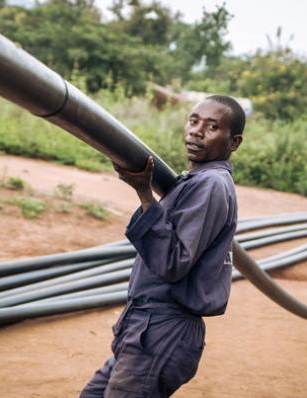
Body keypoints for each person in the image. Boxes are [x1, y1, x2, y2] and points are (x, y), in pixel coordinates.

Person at [80, 95, 245, 398]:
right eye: (194, 121)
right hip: (145, 326)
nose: (197, 131)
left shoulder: (211, 184)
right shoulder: (195, 179)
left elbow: (173, 263)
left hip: (164, 330)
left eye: (212, 126)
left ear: (233, 142)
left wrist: (144, 193)